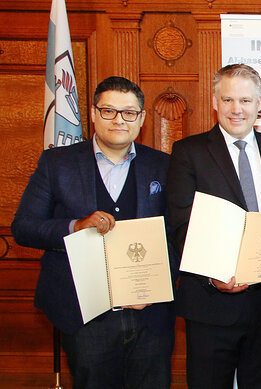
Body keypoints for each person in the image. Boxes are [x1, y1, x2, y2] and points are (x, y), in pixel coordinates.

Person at [12, 76, 175, 389]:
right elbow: (24, 227)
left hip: (150, 315)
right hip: (84, 314)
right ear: (92, 113)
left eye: (129, 112)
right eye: (109, 111)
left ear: (141, 118)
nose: (118, 120)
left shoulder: (164, 165)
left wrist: (156, 286)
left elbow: (178, 232)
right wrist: (75, 227)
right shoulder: (56, 164)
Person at [167, 64, 261, 388]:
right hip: (211, 303)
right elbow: (180, 222)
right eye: (228, 99)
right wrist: (210, 273)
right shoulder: (188, 152)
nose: (237, 109)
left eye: (245, 100)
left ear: (259, 103)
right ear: (215, 102)